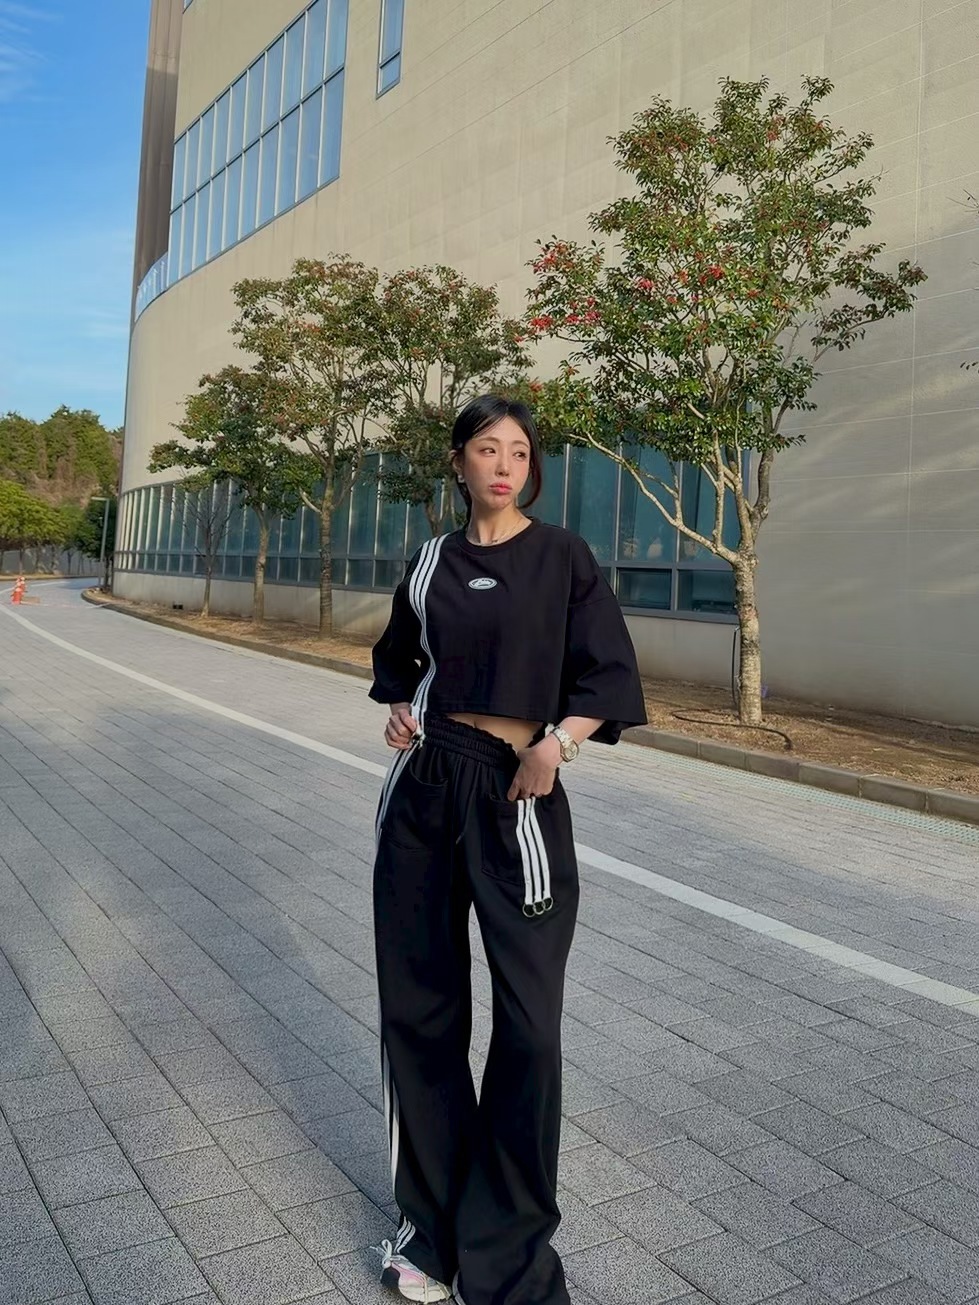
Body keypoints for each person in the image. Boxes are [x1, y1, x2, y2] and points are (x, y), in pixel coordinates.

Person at [368, 394, 647, 1305]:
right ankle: (428, 1227)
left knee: (528, 1025)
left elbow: (608, 672)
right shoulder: (428, 561)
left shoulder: (562, 556)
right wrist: (400, 706)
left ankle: (509, 1250)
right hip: (423, 788)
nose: (503, 464)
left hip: (517, 792)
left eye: (519, 452)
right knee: (420, 1010)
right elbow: (400, 656)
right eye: (486, 448)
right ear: (457, 462)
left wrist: (555, 744)